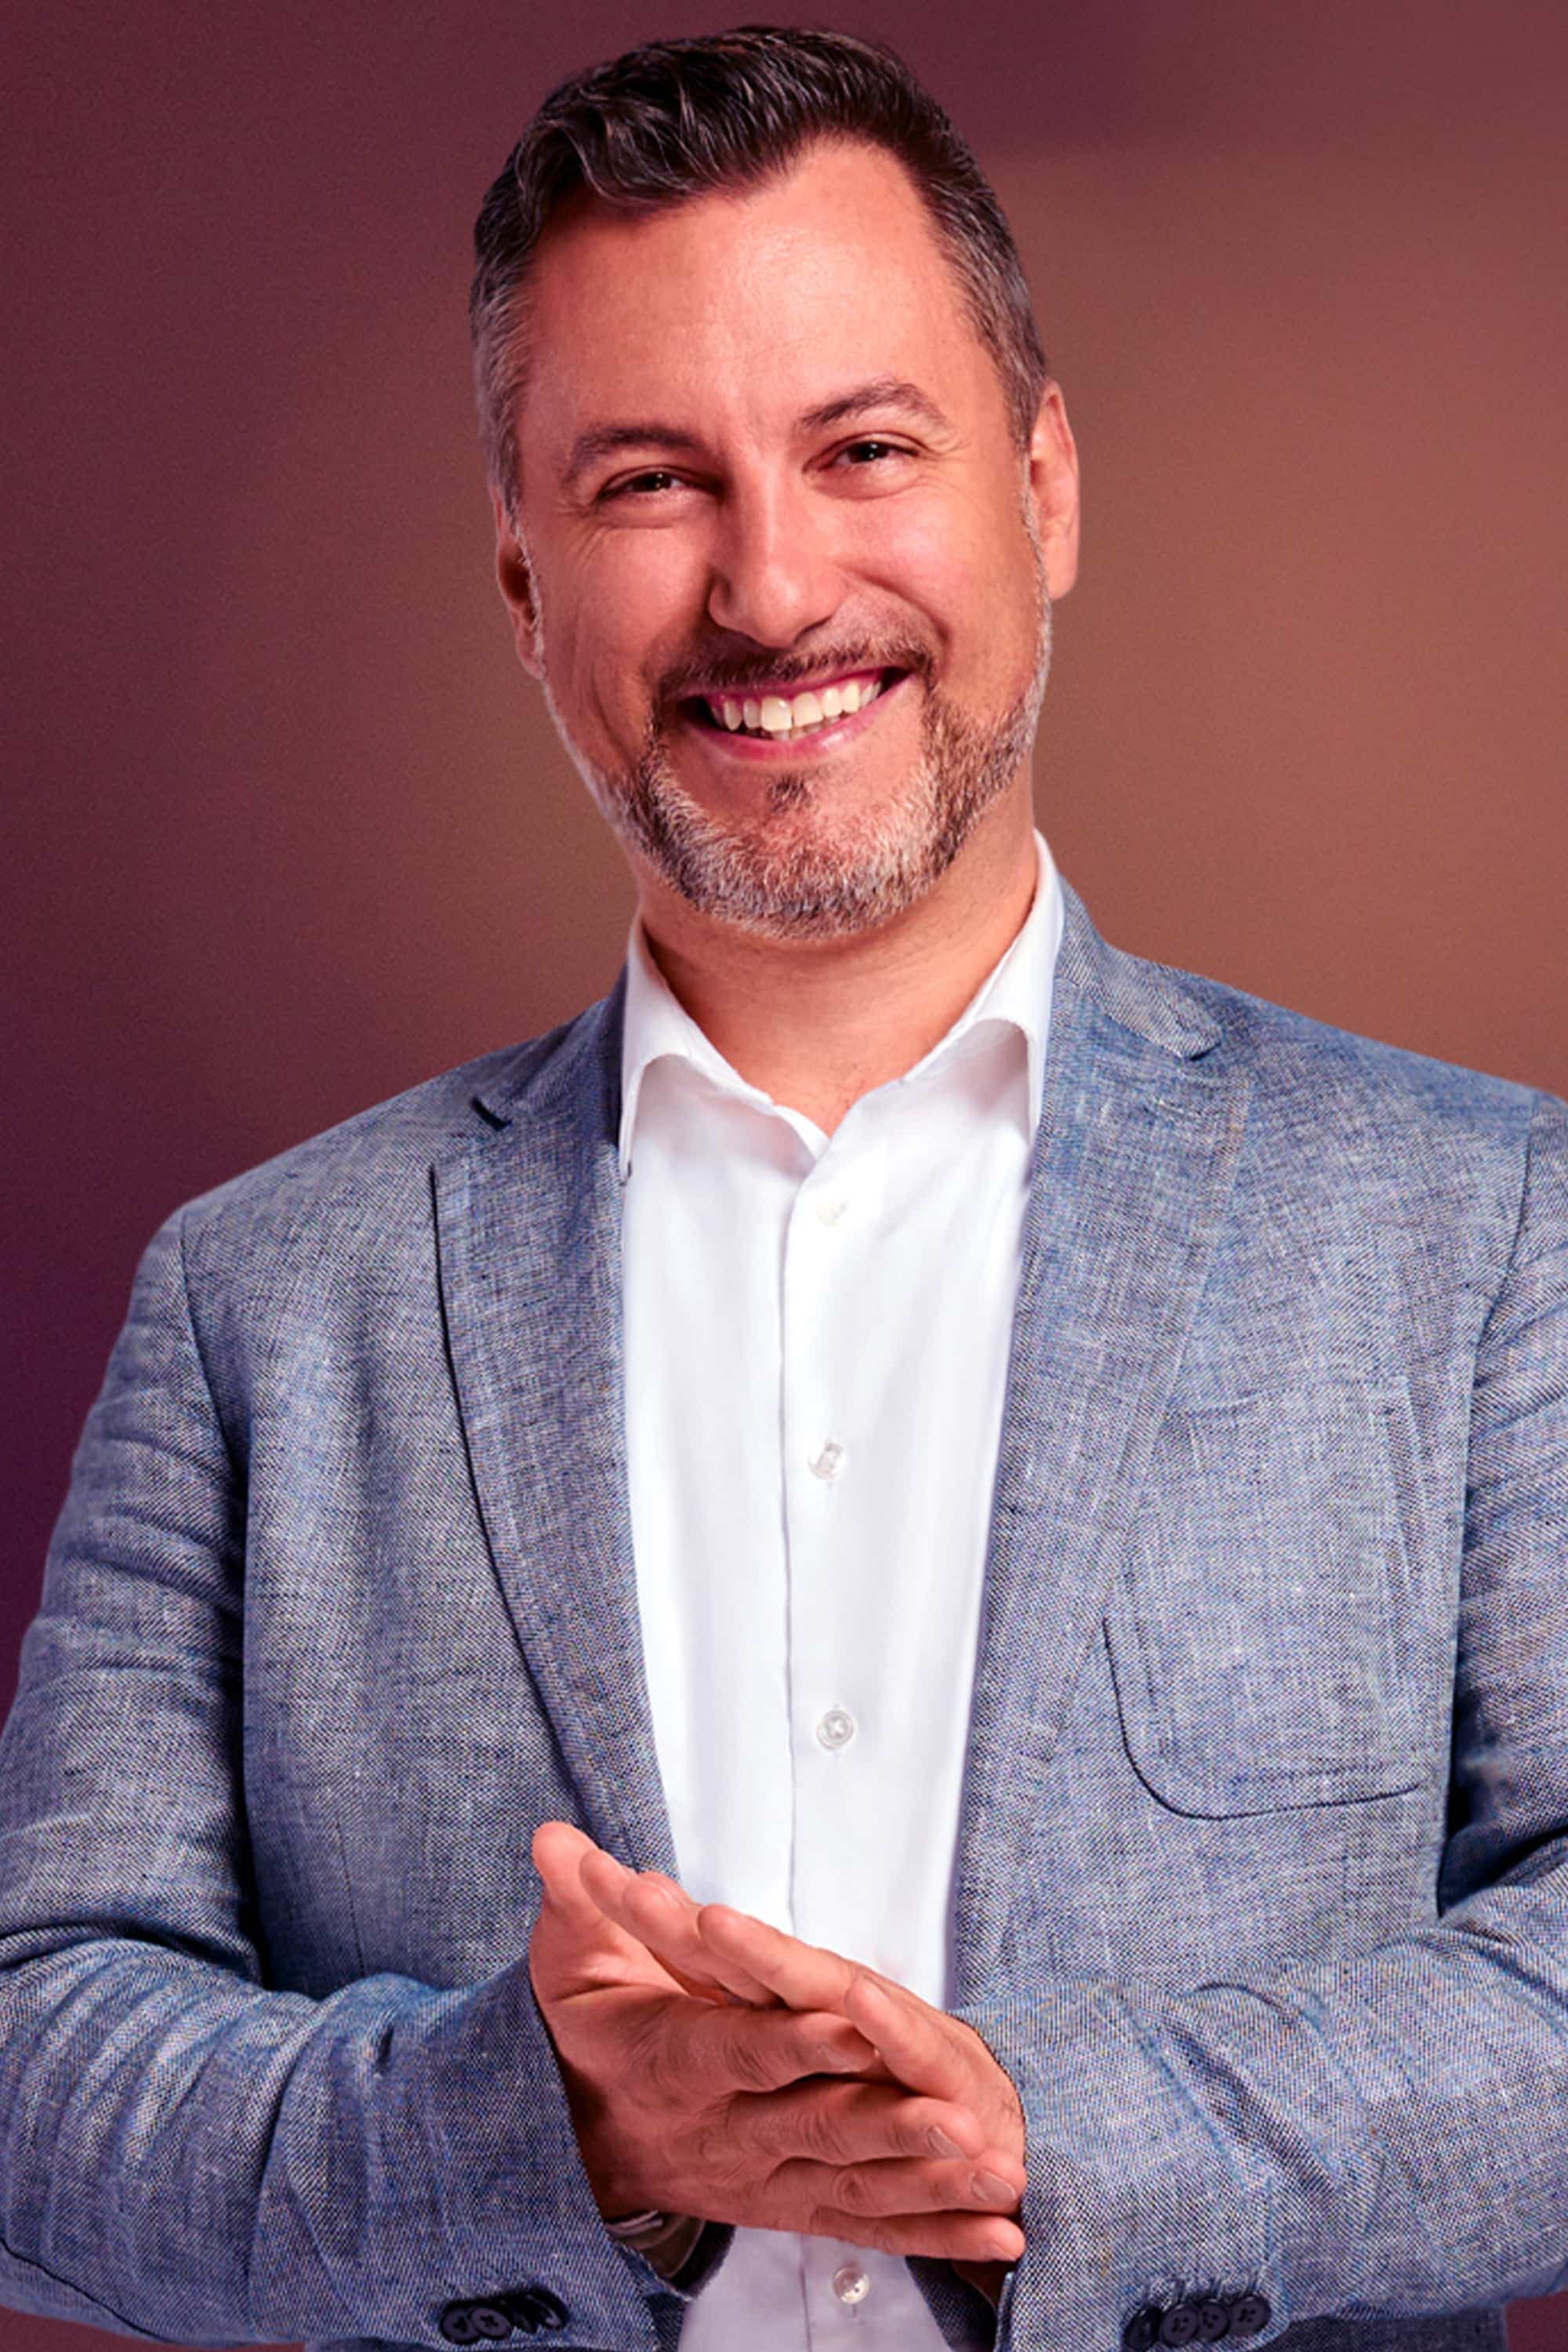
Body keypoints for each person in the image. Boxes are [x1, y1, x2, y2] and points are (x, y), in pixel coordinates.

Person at [1, 22, 1564, 2352]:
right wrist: (542, 2133)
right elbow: (35, 2069)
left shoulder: (1481, 1230)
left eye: (865, 448)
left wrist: (1063, 2150)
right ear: (523, 581)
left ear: (1044, 487)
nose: (771, 585)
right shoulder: (263, 1305)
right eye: (652, 482)